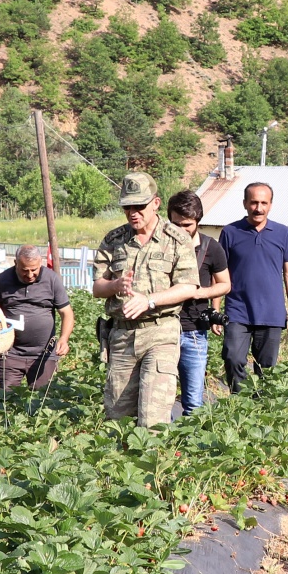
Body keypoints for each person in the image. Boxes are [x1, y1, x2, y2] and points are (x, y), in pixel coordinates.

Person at [92, 173, 199, 426]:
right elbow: (97, 287)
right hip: (121, 337)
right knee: (117, 420)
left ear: (156, 203)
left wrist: (149, 300)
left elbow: (188, 287)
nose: (132, 213)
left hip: (160, 333)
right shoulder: (113, 240)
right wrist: (115, 285)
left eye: (139, 206)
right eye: (127, 207)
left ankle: (154, 463)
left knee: (153, 421)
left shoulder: (177, 239)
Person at [218, 182, 288, 395]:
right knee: (233, 357)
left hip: (271, 313)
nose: (258, 208)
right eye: (254, 202)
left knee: (267, 368)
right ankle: (242, 401)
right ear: (245, 203)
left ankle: (262, 409)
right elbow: (218, 273)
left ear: (271, 205)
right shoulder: (230, 232)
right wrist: (215, 309)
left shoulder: (282, 233)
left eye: (264, 203)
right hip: (238, 310)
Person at [167, 190, 232, 415]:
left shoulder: (211, 248)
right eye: (176, 224)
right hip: (162, 329)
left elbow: (225, 284)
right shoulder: (161, 246)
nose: (181, 230)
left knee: (193, 401)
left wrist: (199, 293)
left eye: (187, 224)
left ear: (198, 220)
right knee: (159, 400)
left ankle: (190, 448)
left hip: (194, 331)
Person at [0, 245, 74, 390]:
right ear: (16, 263)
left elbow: (67, 313)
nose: (29, 275)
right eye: (24, 270)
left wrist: (64, 339)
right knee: (6, 400)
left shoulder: (52, 279)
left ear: (40, 262)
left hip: (44, 355)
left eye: (34, 270)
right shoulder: (3, 280)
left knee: (42, 403)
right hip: (10, 354)